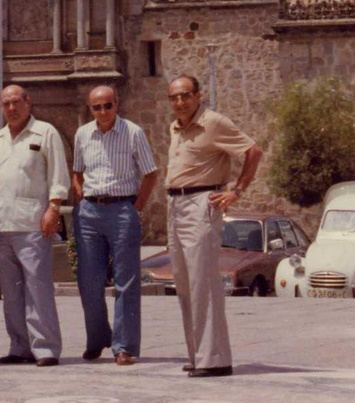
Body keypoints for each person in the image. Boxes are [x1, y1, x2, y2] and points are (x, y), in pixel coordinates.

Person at [164, 74, 262, 378]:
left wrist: (237, 190)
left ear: (198, 95)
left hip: (201, 203)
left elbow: (253, 151)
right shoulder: (175, 127)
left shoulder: (214, 122)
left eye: (186, 96)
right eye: (175, 97)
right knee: (183, 282)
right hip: (175, 204)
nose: (180, 102)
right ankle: (198, 354)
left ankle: (215, 358)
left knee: (202, 282)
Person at [0, 84, 69, 368]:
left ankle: (45, 347)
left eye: (16, 102)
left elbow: (58, 174)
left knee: (38, 287)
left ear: (28, 102)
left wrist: (53, 208)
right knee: (12, 290)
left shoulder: (45, 132)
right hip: (2, 223)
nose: (11, 108)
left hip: (33, 222)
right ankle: (19, 346)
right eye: (5, 103)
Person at [70, 85, 157, 366]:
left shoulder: (133, 132)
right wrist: (83, 200)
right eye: (97, 107)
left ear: (117, 104)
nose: (103, 111)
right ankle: (97, 339)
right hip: (90, 212)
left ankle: (124, 346)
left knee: (127, 282)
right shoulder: (83, 134)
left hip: (122, 210)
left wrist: (136, 207)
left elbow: (150, 173)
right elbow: (77, 173)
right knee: (89, 281)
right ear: (90, 109)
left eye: (108, 105)